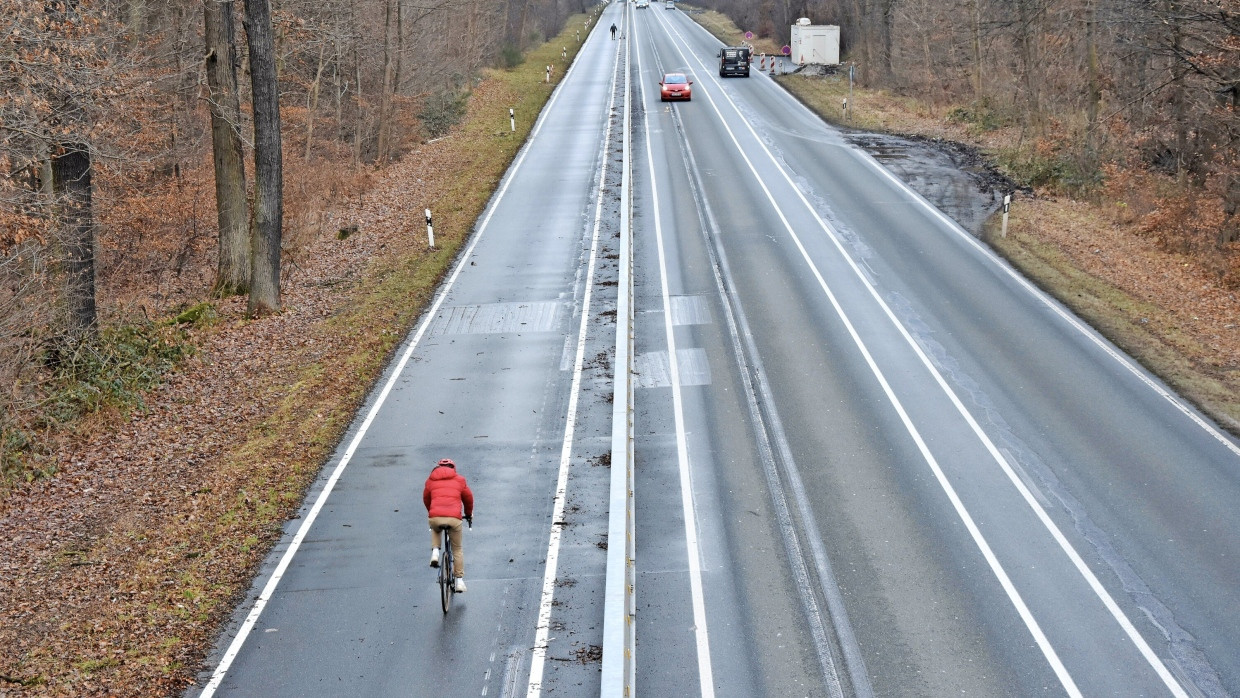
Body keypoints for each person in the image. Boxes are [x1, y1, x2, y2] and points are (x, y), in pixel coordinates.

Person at [423, 458, 474, 593]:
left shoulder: (430, 480)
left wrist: (432, 512)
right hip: (454, 519)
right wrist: (468, 514)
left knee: (435, 527)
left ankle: (435, 552)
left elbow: (426, 498)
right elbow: (468, 499)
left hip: (436, 516)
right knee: (457, 549)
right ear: (453, 468)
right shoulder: (460, 480)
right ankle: (459, 581)